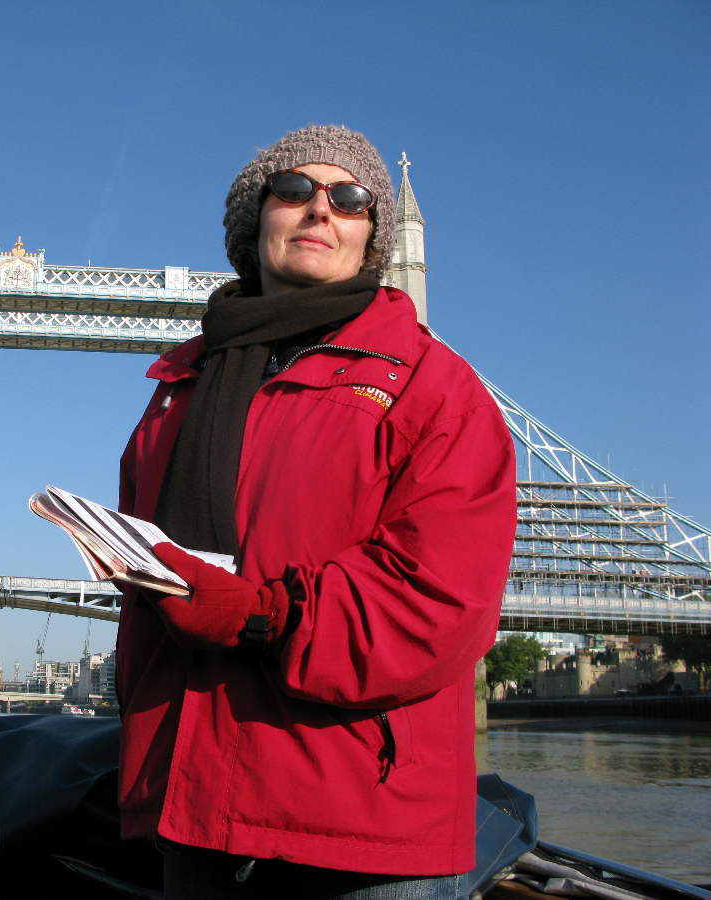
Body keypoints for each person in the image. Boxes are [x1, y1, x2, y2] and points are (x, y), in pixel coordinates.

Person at [114, 124, 517, 898]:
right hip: (189, 802)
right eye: (294, 190)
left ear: (373, 239)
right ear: (254, 220)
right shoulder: (176, 392)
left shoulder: (436, 388)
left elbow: (441, 601)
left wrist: (258, 614)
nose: (320, 210)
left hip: (359, 820)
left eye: (351, 199)